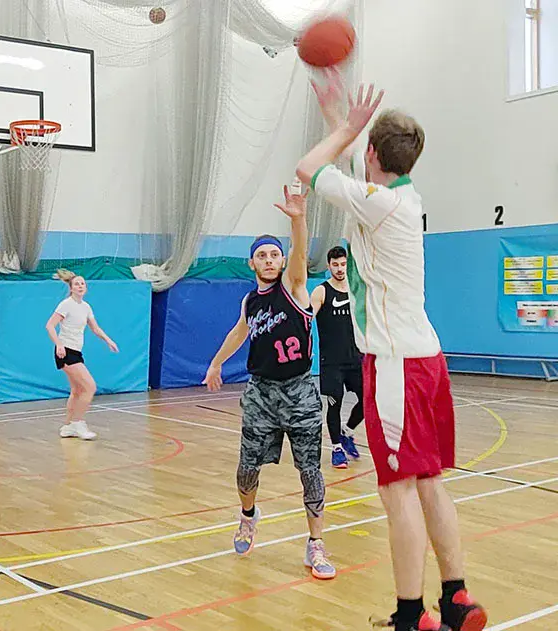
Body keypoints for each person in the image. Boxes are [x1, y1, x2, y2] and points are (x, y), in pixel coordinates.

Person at [297, 71, 487, 631]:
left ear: (374, 151)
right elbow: (355, 172)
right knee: (428, 482)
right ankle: (455, 598)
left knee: (397, 491)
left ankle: (411, 617)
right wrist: (342, 122)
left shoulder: (377, 204)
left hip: (396, 365)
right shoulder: (401, 197)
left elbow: (309, 171)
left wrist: (340, 130)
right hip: (424, 359)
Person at [203, 183, 336, 581]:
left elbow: (299, 251)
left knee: (310, 470)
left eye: (273, 254)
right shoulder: (250, 301)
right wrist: (215, 365)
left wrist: (298, 219)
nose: (268, 259)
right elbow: (238, 333)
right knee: (246, 471)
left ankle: (315, 545)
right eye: (261, 255)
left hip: (299, 391)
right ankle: (249, 515)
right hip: (260, 393)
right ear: (252, 264)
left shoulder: (294, 285)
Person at [45, 269, 119, 440]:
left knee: (77, 390)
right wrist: (58, 344)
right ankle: (78, 423)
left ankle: (69, 426)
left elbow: (95, 328)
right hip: (66, 351)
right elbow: (49, 325)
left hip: (76, 351)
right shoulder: (66, 304)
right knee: (90, 386)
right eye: (77, 283)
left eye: (82, 283)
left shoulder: (86, 307)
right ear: (71, 288)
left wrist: (108, 340)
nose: (80, 286)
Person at [311, 246, 364, 469]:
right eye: (335, 265)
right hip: (331, 361)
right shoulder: (321, 292)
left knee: (369, 400)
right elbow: (306, 320)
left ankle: (347, 432)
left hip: (356, 358)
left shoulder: (356, 291)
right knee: (334, 404)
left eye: (343, 264)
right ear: (329, 265)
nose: (340, 269)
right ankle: (336, 449)